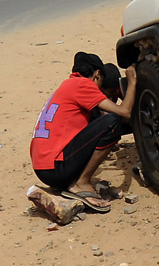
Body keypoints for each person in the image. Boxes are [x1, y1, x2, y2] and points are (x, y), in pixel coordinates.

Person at [30, 51, 137, 213]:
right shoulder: (82, 84)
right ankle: (82, 183)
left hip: (44, 168)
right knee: (112, 123)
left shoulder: (67, 86)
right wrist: (132, 83)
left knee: (104, 120)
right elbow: (124, 113)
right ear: (97, 75)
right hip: (55, 169)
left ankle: (73, 182)